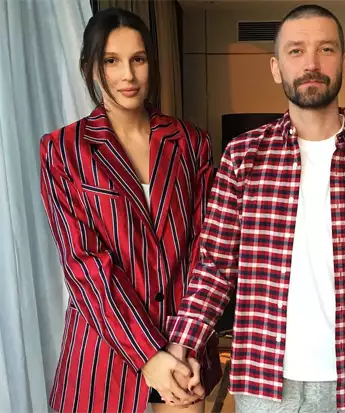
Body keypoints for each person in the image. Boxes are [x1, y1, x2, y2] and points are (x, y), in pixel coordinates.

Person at [164, 4, 345, 413]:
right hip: (266, 385)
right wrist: (182, 345)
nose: (311, 63)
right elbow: (215, 265)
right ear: (276, 68)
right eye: (296, 51)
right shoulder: (243, 156)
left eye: (325, 49)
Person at [39, 8, 221, 413]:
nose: (128, 75)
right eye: (111, 60)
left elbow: (206, 248)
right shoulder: (64, 150)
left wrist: (184, 342)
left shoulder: (191, 142)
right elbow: (84, 262)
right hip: (104, 352)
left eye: (138, 59)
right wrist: (147, 354)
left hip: (183, 351)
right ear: (90, 67)